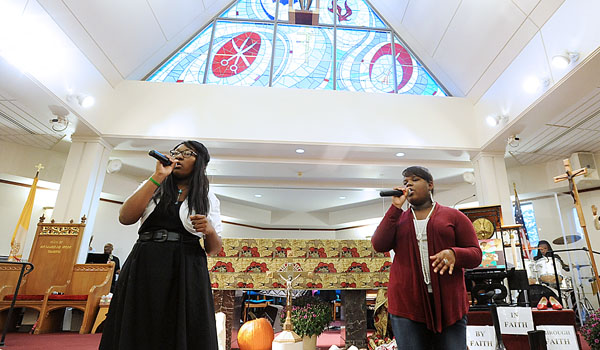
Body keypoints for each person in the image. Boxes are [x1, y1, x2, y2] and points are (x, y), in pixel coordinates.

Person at [99, 141, 223, 350]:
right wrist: (157, 177)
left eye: (187, 153)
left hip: (186, 267)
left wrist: (209, 230)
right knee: (140, 320)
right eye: (176, 152)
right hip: (145, 262)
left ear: (201, 162)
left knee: (182, 324)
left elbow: (213, 249)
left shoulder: (208, 198)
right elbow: (125, 217)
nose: (179, 156)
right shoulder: (153, 186)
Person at [371, 166, 482, 350]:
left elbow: (476, 254)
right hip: (407, 305)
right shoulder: (398, 219)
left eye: (414, 180)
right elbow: (379, 244)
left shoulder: (454, 216)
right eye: (405, 182)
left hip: (449, 305)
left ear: (430, 184)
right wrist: (395, 208)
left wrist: (454, 254)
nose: (408, 185)